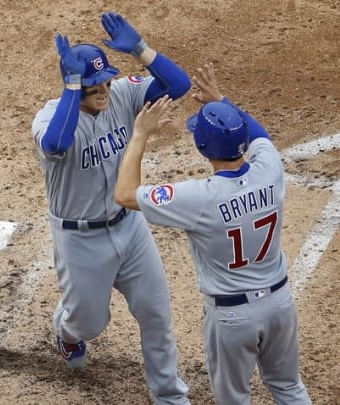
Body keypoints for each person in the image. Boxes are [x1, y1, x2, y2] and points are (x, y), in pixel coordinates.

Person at [115, 63, 312, 404]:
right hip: (280, 303)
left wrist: (139, 135)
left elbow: (125, 195)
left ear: (203, 148)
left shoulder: (199, 198)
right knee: (289, 388)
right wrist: (223, 102)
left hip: (233, 318)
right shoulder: (270, 169)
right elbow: (259, 134)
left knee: (234, 400)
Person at [31, 11, 191, 404]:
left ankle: (170, 395)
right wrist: (72, 88)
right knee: (89, 324)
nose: (103, 89)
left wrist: (141, 49)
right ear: (74, 87)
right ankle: (66, 330)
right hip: (80, 240)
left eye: (105, 80)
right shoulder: (51, 117)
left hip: (130, 228)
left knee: (156, 315)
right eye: (92, 86)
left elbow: (179, 85)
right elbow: (55, 144)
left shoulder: (122, 94)